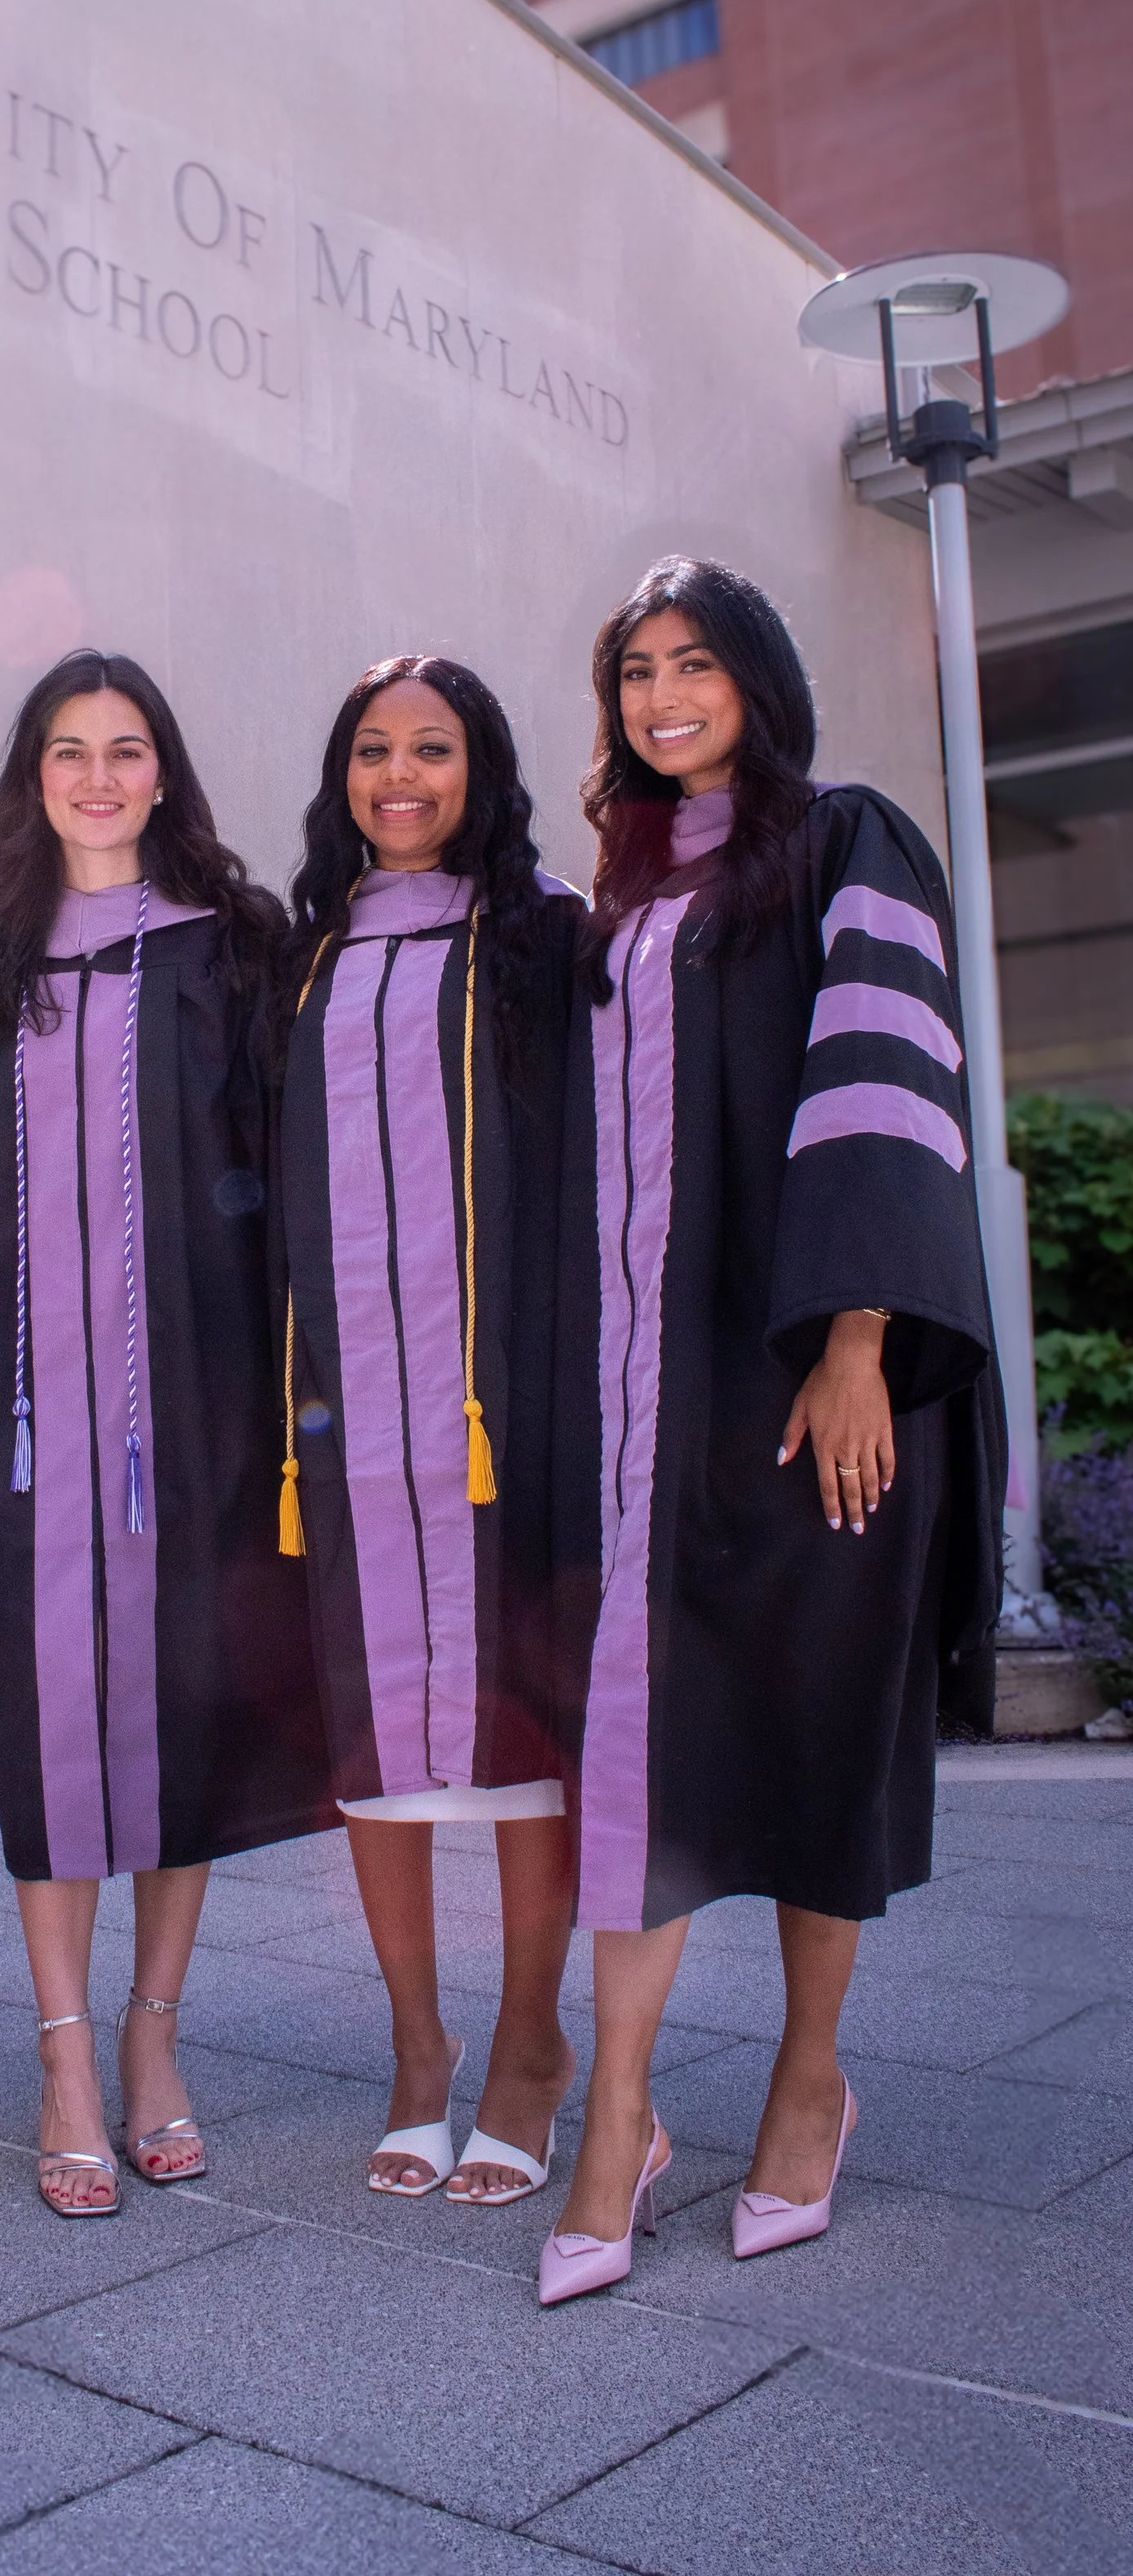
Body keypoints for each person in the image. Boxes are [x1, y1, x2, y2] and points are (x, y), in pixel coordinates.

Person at [538, 558, 1004, 2307]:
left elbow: (885, 1085)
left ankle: (808, 2083)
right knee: (633, 1746)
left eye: (692, 665)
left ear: (753, 679)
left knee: (815, 1725)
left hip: (810, 1375)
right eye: (634, 672)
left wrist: (858, 1340)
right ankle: (619, 2120)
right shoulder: (614, 896)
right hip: (638, 1400)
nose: (662, 696)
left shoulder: (842, 841)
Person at [0, 650, 333, 2217]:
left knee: (184, 1710)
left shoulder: (234, 951)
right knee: (48, 1731)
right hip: (22, 1424)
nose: (98, 776)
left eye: (125, 749)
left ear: (163, 770)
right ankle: (61, 2054)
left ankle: (154, 2036)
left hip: (201, 1404)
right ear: (33, 775)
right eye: (68, 750)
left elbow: (289, 1173)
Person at [278, 658, 582, 2207]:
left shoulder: (540, 934)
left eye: (434, 749)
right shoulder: (305, 951)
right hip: (343, 1412)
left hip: (503, 1399)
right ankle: (416, 2046)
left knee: (527, 1742)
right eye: (374, 750)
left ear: (485, 766)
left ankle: (531, 2045)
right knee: (375, 1741)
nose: (401, 775)